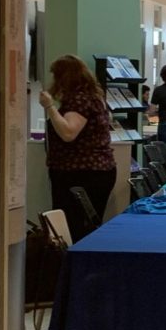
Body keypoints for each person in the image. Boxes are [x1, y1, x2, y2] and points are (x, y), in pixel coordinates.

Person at [39, 54, 117, 241]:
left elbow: (68, 133)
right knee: (88, 226)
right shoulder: (96, 98)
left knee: (73, 227)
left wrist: (50, 107)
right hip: (98, 171)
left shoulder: (79, 101)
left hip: (80, 174)